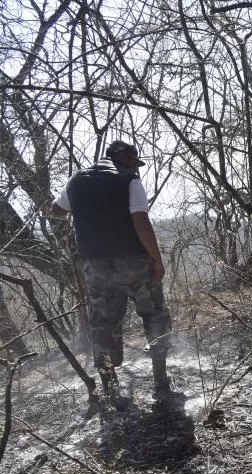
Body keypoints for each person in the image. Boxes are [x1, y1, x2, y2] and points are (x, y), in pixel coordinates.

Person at [51, 140, 173, 402]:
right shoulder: (129, 181)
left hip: (95, 266)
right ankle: (161, 379)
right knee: (154, 314)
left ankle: (110, 389)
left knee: (102, 323)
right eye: (134, 161)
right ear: (122, 157)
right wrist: (156, 259)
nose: (136, 167)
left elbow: (56, 210)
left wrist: (84, 206)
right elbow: (140, 219)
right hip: (133, 263)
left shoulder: (76, 181)